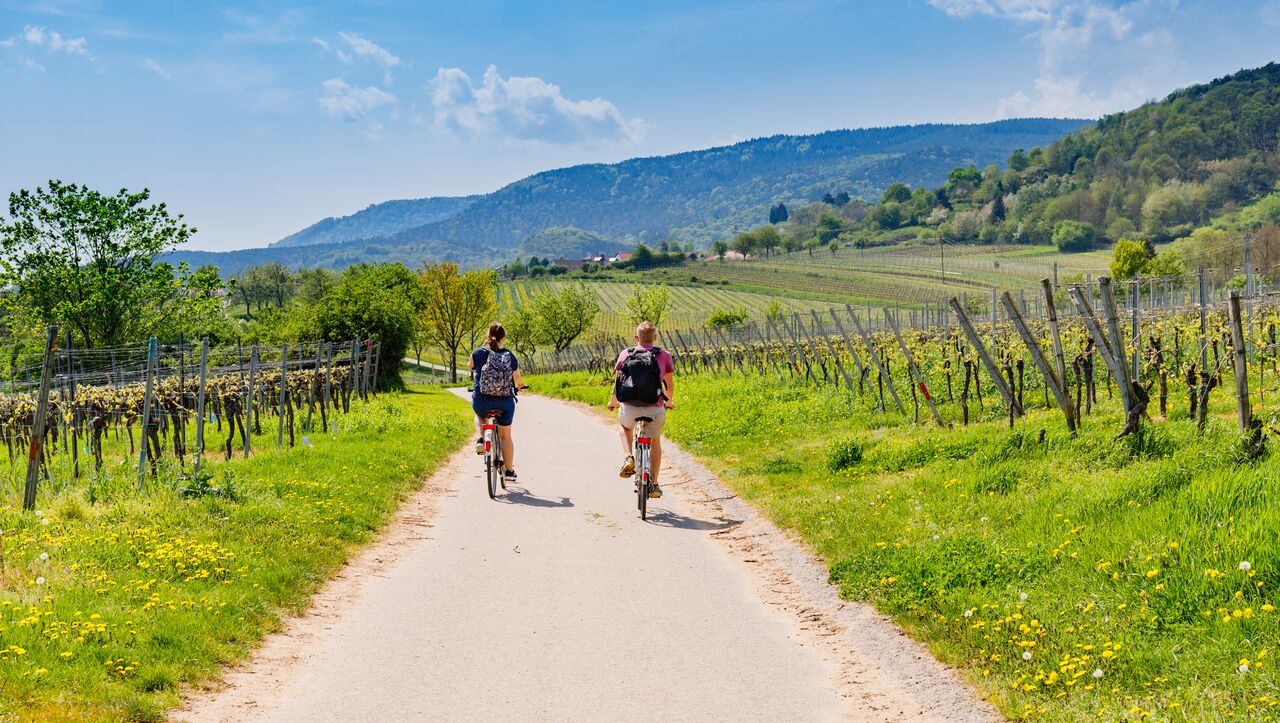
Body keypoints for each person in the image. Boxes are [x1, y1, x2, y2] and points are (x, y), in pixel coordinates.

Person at [607, 321, 675, 498]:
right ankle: (654, 484)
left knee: (625, 427)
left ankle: (629, 456)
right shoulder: (664, 355)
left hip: (630, 408)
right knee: (655, 440)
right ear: (655, 338)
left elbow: (618, 384)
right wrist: (668, 402)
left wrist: (612, 402)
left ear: (637, 338)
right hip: (655, 409)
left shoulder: (625, 354)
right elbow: (669, 386)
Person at [469, 322, 525, 483]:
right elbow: (518, 379)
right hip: (505, 403)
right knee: (505, 436)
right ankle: (508, 471)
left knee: (479, 415)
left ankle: (481, 439)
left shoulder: (478, 353)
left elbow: (471, 366)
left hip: (482, 400)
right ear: (504, 338)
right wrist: (521, 386)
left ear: (488, 335)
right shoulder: (510, 356)